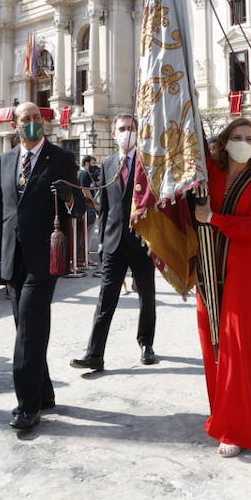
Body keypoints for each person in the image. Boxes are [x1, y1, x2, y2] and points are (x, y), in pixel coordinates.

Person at [0, 102, 82, 431]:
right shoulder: (7, 159)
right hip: (14, 258)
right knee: (27, 329)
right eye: (25, 119)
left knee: (28, 329)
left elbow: (79, 208)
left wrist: (70, 197)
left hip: (44, 258)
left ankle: (27, 406)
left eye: (36, 118)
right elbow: (0, 212)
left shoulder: (61, 158)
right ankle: (44, 392)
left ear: (44, 122)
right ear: (16, 125)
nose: (31, 123)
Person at [191, 116, 251, 457]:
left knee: (237, 348)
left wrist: (212, 218)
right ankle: (221, 413)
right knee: (212, 343)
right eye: (236, 136)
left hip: (242, 268)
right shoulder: (211, 173)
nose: (242, 141)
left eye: (248, 137)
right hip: (209, 267)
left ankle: (236, 428)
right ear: (224, 141)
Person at [71, 116, 157, 371]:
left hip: (142, 241)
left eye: (131, 129)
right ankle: (94, 353)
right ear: (113, 134)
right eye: (121, 129)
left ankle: (146, 343)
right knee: (105, 298)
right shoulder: (107, 164)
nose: (126, 133)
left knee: (147, 295)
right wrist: (101, 241)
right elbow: (105, 207)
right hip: (113, 243)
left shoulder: (149, 163)